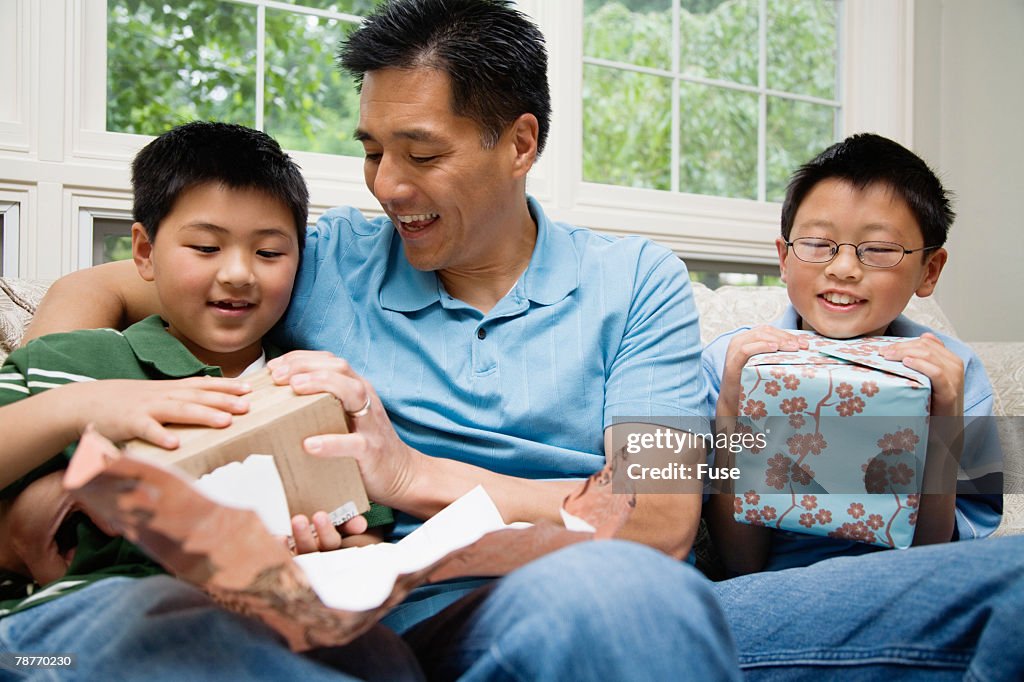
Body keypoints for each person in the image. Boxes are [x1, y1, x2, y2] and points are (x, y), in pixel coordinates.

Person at [20, 2, 739, 680]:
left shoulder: (639, 281)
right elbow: (100, 289)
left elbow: (659, 519)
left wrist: (411, 476)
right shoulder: (323, 258)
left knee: (645, 591)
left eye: (421, 156)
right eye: (372, 151)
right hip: (396, 615)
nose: (387, 187)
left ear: (519, 144)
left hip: (595, 585)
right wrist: (52, 470)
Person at [0, 121, 408, 680]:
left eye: (269, 252)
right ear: (144, 252)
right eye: (206, 247)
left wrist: (329, 551)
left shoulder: (311, 386)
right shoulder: (80, 360)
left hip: (258, 621)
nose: (238, 273)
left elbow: (366, 532)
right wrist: (83, 406)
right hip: (60, 630)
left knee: (383, 655)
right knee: (165, 615)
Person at [702, 133, 1023, 679]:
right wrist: (734, 403)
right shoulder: (728, 360)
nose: (844, 268)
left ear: (930, 270)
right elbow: (739, 563)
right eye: (818, 244)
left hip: (907, 592)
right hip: (766, 597)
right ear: (783, 257)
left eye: (878, 249)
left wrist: (944, 420)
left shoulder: (956, 369)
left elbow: (931, 559)